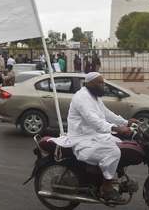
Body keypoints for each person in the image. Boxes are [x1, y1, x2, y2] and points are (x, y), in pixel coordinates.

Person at [50, 72, 135, 201]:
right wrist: (115, 128)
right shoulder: (82, 98)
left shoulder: (94, 96)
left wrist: (125, 122)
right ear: (89, 84)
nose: (103, 85)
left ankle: (109, 177)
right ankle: (106, 188)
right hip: (82, 140)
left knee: (121, 145)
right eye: (100, 83)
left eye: (103, 82)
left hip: (94, 136)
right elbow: (93, 120)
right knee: (113, 152)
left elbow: (106, 113)